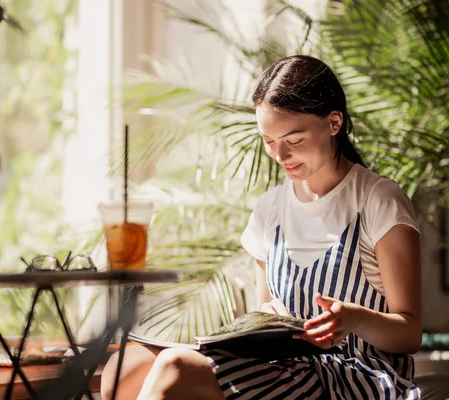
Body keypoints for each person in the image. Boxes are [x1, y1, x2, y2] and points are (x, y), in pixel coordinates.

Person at [100, 54, 423, 400]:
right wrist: (267, 319)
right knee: (124, 370)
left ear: (334, 122)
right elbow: (265, 314)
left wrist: (356, 319)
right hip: (289, 367)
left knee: (174, 369)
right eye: (269, 142)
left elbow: (410, 332)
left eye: (294, 140)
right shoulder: (270, 208)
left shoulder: (379, 200)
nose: (281, 156)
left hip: (358, 376)